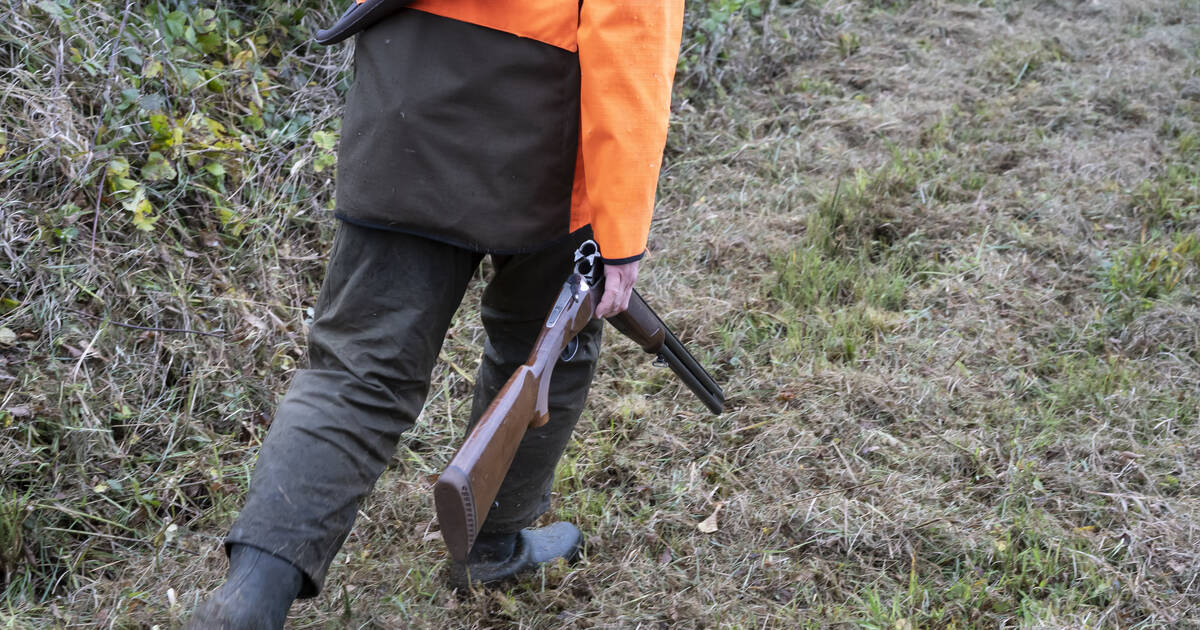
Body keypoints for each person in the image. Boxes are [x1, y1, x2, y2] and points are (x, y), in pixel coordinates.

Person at [187, 1, 684, 627]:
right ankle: (492, 549)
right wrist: (621, 230)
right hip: (546, 119)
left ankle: (249, 598)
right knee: (550, 345)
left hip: (408, 87)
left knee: (356, 371)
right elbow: (631, 34)